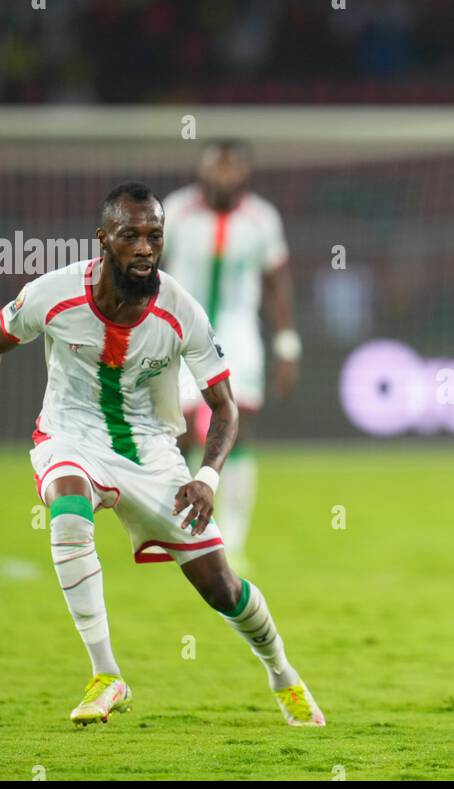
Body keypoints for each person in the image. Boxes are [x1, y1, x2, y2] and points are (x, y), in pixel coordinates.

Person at [0, 181, 323, 728]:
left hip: (153, 453)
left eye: (154, 235)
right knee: (67, 504)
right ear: (104, 239)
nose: (145, 247)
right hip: (69, 436)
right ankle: (107, 673)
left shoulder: (182, 311)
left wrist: (206, 477)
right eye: (131, 235)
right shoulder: (54, 293)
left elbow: (225, 409)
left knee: (222, 589)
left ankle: (281, 673)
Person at [162, 140, 300, 573]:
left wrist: (287, 344)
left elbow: (277, 282)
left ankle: (232, 542)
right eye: (215, 168)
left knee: (235, 432)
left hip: (239, 335)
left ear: (245, 173)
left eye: (231, 168)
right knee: (181, 433)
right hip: (182, 331)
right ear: (202, 170)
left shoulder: (262, 218)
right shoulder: (176, 210)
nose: (223, 176)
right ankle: (187, 531)